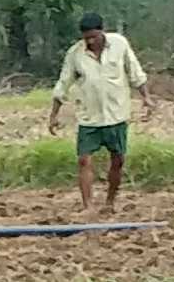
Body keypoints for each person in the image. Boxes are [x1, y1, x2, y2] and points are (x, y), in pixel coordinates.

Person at [45, 14, 149, 213]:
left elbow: (135, 72)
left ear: (102, 31)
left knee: (118, 160)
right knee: (84, 160)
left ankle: (110, 203)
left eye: (94, 37)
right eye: (87, 38)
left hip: (116, 114)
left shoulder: (120, 44)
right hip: (89, 117)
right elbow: (63, 84)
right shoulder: (75, 54)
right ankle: (88, 206)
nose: (91, 41)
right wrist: (53, 115)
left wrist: (146, 97)